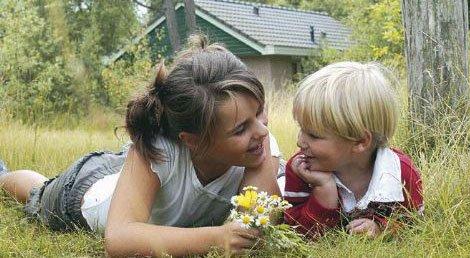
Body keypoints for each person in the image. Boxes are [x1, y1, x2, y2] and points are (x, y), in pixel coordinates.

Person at [0, 35, 282, 256]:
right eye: (241, 128)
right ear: (192, 141)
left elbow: (256, 225)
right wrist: (216, 238)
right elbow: (119, 238)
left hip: (136, 172)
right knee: (39, 191)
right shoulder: (162, 151)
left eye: (258, 112)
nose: (262, 130)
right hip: (87, 192)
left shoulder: (257, 144)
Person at [281, 62, 424, 238]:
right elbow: (297, 234)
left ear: (360, 141)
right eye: (301, 129)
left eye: (313, 135)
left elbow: (415, 223)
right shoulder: (300, 169)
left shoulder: (400, 173)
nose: (300, 141)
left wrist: (381, 228)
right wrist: (324, 191)